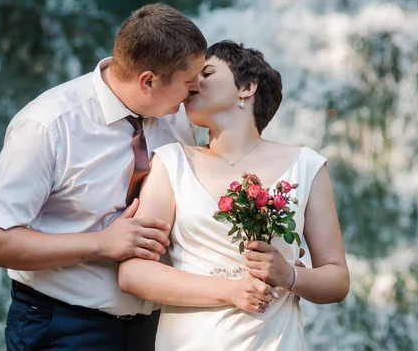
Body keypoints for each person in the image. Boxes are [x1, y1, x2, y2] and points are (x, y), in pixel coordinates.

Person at [0, 3, 209, 351]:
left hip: (156, 328)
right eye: (189, 82)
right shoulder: (48, 125)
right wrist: (102, 243)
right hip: (63, 325)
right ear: (148, 81)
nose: (197, 90)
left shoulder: (177, 119)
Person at [118, 41, 350, 350]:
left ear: (247, 87)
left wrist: (289, 275)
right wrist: (230, 290)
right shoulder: (172, 162)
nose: (191, 83)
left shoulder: (305, 166)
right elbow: (134, 274)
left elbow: (337, 280)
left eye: (207, 73)